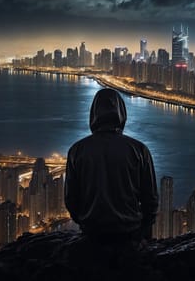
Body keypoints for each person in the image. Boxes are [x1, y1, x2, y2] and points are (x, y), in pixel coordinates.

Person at [65, 88, 158, 244]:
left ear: (93, 114)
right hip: (129, 234)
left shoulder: (77, 150)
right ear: (122, 114)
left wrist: (85, 221)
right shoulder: (139, 150)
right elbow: (151, 200)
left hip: (91, 235)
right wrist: (141, 231)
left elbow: (71, 200)